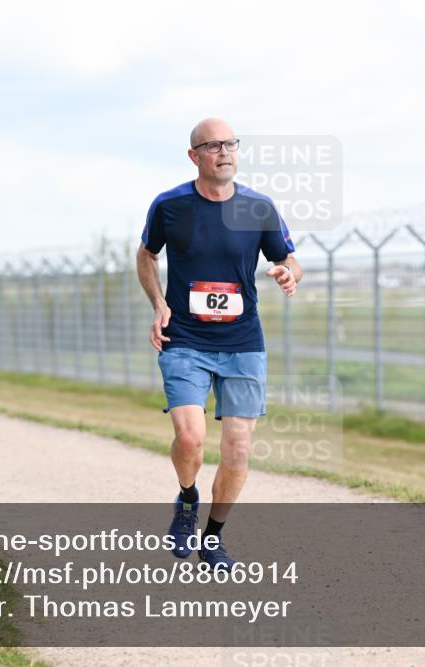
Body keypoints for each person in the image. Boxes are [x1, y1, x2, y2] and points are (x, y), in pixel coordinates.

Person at [136, 118, 302, 570]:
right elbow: (147, 255)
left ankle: (213, 537)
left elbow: (287, 257)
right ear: (195, 156)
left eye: (230, 143)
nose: (224, 151)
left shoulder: (258, 208)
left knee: (238, 448)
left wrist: (289, 272)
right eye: (213, 145)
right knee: (190, 439)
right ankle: (187, 498)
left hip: (242, 342)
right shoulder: (169, 206)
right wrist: (158, 304)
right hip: (184, 337)